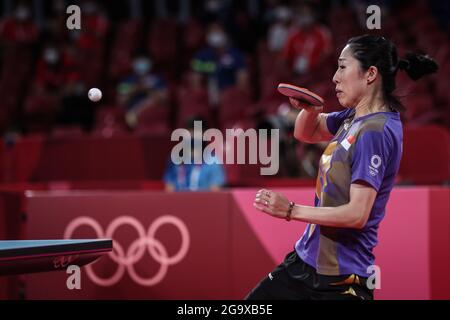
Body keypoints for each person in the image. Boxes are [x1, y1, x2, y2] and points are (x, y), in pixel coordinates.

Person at [247, 35, 438, 300]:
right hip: (302, 265)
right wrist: (311, 110)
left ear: (370, 74)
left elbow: (357, 214)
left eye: (342, 67)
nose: (335, 77)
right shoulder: (354, 117)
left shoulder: (375, 131)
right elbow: (307, 133)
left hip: (341, 281)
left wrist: (291, 210)